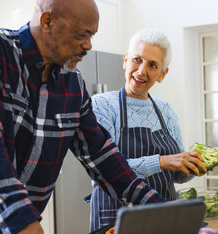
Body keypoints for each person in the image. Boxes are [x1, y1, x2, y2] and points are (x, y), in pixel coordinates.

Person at [0, 0, 166, 233]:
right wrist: (22, 220)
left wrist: (163, 213)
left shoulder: (72, 84)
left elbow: (104, 158)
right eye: (81, 34)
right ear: (47, 21)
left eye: (91, 35)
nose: (88, 45)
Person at [89, 29, 208, 231]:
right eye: (137, 59)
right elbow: (104, 170)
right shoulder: (102, 105)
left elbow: (177, 175)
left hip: (163, 215)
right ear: (126, 61)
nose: (142, 70)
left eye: (152, 65)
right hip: (116, 217)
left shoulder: (165, 110)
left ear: (162, 74)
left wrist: (193, 165)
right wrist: (161, 161)